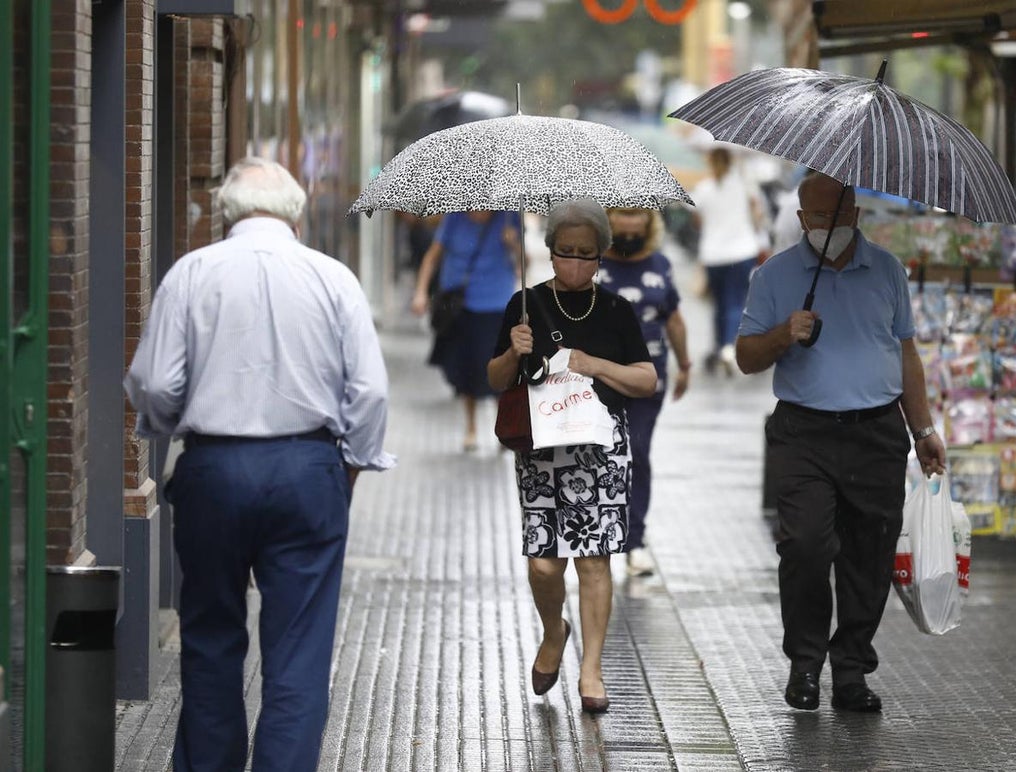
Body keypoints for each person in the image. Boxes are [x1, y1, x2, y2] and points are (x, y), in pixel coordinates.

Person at [124, 157, 394, 771]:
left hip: (214, 469)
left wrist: (174, 426)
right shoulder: (333, 278)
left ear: (226, 213)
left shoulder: (192, 273)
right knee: (299, 650)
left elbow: (156, 384)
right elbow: (371, 393)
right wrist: (348, 468)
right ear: (295, 215)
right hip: (308, 468)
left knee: (211, 637)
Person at [734, 172, 946, 713]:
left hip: (876, 432)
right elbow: (747, 357)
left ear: (857, 215)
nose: (832, 227)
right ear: (803, 220)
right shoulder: (775, 276)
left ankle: (851, 668)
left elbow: (906, 353)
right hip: (804, 432)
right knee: (804, 545)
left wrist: (922, 430)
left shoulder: (887, 270)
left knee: (869, 556)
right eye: (821, 218)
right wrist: (786, 333)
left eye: (842, 215)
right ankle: (805, 662)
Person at [487, 198, 656, 714]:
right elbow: (494, 380)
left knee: (594, 562)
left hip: (601, 450)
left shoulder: (616, 311)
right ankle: (554, 632)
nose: (577, 263)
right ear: (550, 251)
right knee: (543, 565)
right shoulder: (525, 305)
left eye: (588, 254)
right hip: (542, 450)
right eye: (567, 252)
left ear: (602, 255)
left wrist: (593, 363)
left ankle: (592, 669)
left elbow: (646, 380)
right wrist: (513, 352)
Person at [599, 207, 691, 576]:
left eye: (638, 215)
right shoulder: (592, 264)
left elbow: (674, 317)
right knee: (601, 457)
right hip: (598, 380)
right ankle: (600, 537)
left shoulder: (661, 265)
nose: (630, 222)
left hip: (647, 379)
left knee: (636, 451)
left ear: (649, 221)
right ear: (609, 218)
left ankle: (634, 541)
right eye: (623, 214)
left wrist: (685, 365)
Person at [411, 209, 520, 451]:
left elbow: (525, 263)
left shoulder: (509, 217)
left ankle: (501, 426)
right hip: (460, 304)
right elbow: (432, 257)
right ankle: (471, 428)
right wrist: (420, 292)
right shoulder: (454, 218)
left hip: (496, 304)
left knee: (497, 367)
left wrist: (513, 244)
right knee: (466, 367)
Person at [690, 146, 765, 376]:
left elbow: (696, 219)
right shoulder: (744, 185)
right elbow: (758, 215)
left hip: (713, 254)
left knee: (719, 303)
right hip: (742, 251)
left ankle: (718, 345)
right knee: (736, 301)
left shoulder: (703, 189)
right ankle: (728, 348)